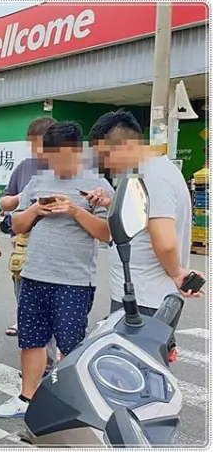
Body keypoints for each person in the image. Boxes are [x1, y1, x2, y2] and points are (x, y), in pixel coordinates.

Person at [0, 122, 113, 419]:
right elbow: (16, 226)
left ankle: (69, 403)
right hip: (34, 276)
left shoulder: (98, 186)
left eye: (62, 156)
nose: (56, 163)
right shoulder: (39, 181)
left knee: (70, 346)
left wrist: (74, 210)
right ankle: (26, 398)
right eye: (51, 156)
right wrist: (35, 210)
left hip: (73, 281)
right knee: (31, 341)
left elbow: (106, 233)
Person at [87, 110, 204, 355]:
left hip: (144, 300)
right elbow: (144, 219)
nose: (105, 164)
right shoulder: (154, 170)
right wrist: (111, 204)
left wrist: (177, 274)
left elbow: (165, 242)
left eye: (105, 155)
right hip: (140, 296)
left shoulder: (152, 175)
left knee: (133, 371)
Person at [0, 116, 55, 338]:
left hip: (52, 243)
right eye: (31, 145)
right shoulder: (25, 167)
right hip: (23, 241)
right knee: (21, 285)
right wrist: (21, 198)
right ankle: (24, 320)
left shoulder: (67, 169)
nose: (34, 151)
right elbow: (3, 201)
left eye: (37, 144)